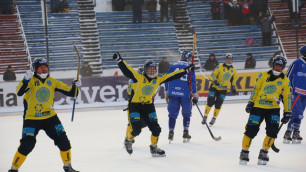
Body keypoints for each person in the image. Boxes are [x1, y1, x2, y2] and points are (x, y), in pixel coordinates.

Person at [113, 52, 194, 157]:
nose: (152, 71)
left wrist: (186, 70)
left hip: (148, 105)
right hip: (135, 105)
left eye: (154, 69)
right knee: (136, 129)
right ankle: (128, 140)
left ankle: (154, 147)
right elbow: (127, 70)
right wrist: (119, 60)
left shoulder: (159, 78)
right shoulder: (138, 77)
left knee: (156, 129)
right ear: (145, 70)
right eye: (150, 69)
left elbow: (173, 75)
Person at [8, 58, 81, 172]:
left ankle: (68, 167)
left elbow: (72, 92)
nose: (43, 69)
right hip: (32, 119)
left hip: (50, 117)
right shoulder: (30, 80)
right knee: (27, 144)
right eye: (40, 67)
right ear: (35, 69)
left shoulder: (52, 81)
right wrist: (25, 80)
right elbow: (19, 92)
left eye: (45, 66)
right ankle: (13, 169)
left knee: (64, 141)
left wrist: (75, 85)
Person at [239, 55, 292, 165]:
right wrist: (250, 102)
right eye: (276, 65)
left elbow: (287, 97)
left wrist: (288, 111)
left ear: (282, 67)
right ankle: (244, 152)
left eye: (280, 66)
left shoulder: (285, 81)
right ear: (273, 65)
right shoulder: (263, 75)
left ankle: (264, 152)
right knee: (251, 130)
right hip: (258, 107)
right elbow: (255, 89)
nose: (278, 68)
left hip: (273, 109)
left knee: (273, 131)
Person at [165, 51, 199, 143]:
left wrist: (167, 91)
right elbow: (192, 81)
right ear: (188, 58)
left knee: (172, 114)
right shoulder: (190, 67)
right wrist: (195, 94)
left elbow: (166, 79)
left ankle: (171, 133)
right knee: (187, 113)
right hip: (185, 94)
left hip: (173, 93)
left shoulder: (172, 66)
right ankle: (185, 132)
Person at [202, 53, 237, 126]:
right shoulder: (220, 66)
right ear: (225, 59)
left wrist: (233, 86)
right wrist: (215, 80)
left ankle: (214, 118)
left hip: (223, 89)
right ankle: (205, 117)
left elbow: (233, 79)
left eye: (230, 59)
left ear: (232, 60)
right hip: (214, 87)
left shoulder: (233, 70)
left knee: (218, 104)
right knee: (210, 102)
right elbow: (213, 75)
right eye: (228, 59)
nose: (229, 61)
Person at [283, 46, 306, 144]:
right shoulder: (297, 63)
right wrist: (288, 89)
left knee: (300, 114)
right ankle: (289, 131)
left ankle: (295, 131)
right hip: (296, 92)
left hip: (305, 94)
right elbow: (287, 76)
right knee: (296, 112)